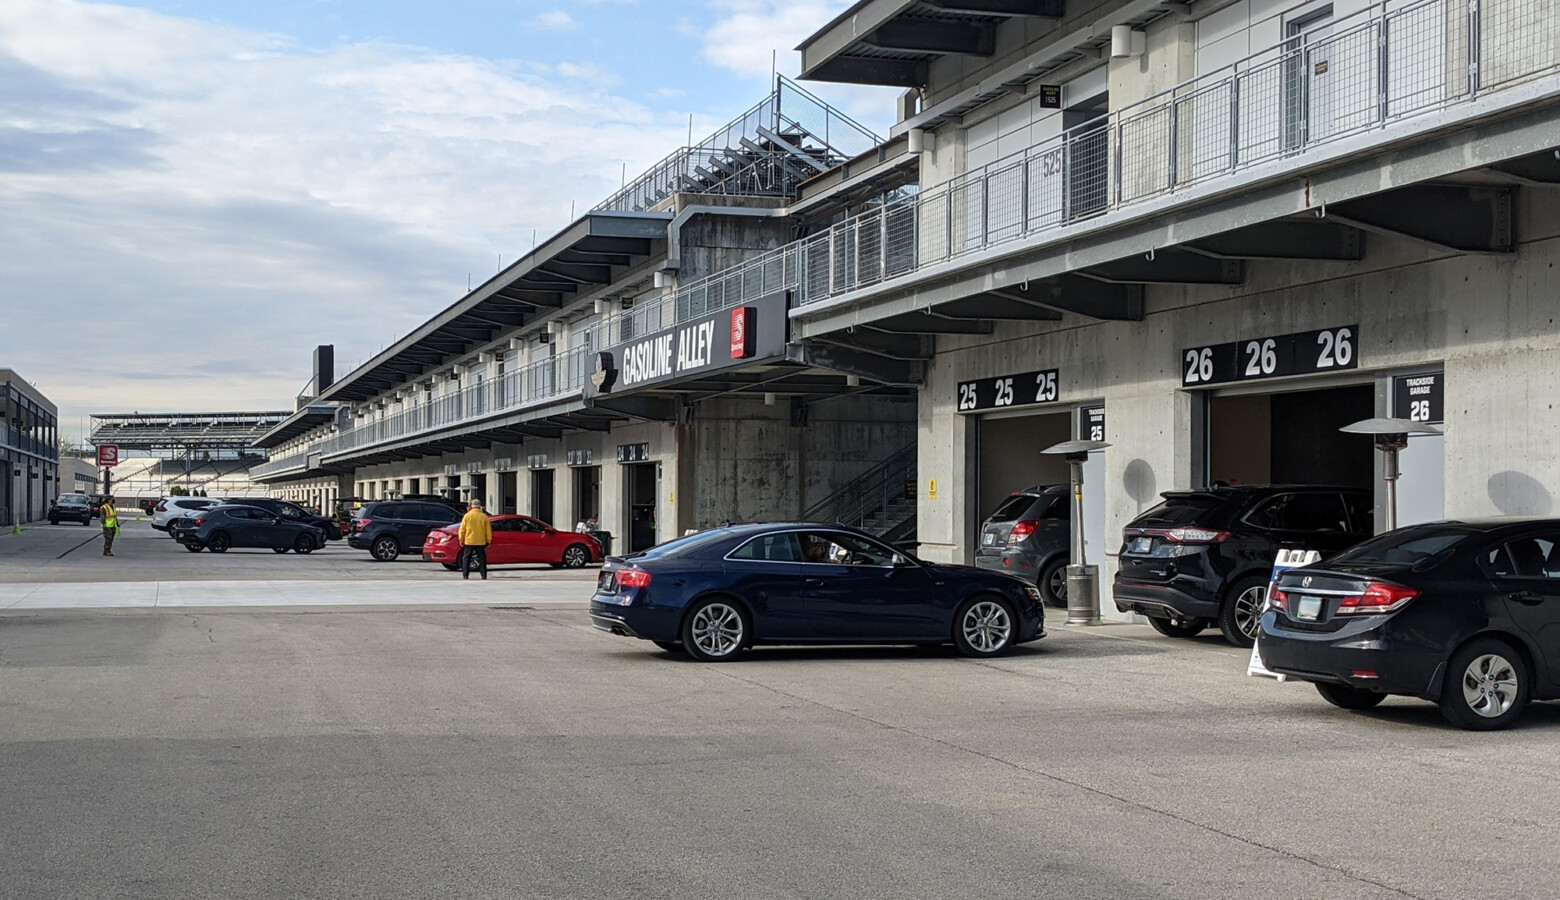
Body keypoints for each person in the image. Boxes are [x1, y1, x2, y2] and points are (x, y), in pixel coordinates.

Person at [457, 500, 492, 580]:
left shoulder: (467, 516)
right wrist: (488, 540)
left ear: (471, 506)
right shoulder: (484, 516)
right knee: (482, 558)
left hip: (469, 540)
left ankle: (465, 575)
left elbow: (462, 529)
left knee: (466, 558)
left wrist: (461, 540)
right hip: (480, 541)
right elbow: (488, 530)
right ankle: (483, 575)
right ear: (480, 506)